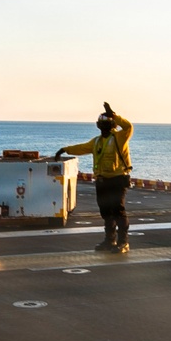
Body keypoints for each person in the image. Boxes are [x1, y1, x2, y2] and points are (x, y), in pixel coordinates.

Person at [55, 102, 133, 253]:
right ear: (98, 126)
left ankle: (123, 243)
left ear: (112, 125)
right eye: (102, 124)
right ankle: (110, 241)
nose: (103, 127)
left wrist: (115, 115)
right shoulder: (96, 141)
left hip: (117, 180)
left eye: (106, 124)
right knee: (106, 212)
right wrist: (65, 149)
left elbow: (128, 127)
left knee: (118, 211)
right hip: (102, 181)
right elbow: (82, 148)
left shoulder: (120, 138)